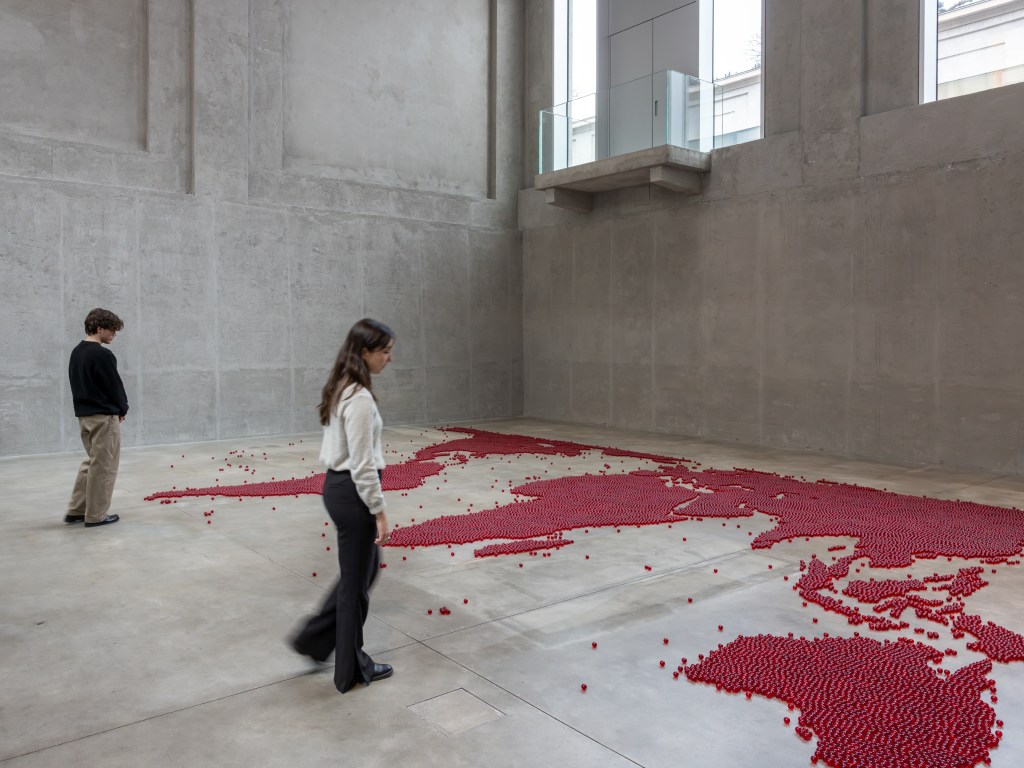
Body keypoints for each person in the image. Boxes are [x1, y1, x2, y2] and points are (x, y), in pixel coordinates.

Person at [290, 318, 395, 693]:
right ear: (364, 352)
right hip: (353, 492)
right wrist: (379, 511)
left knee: (365, 571)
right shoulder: (360, 399)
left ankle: (313, 640)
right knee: (356, 584)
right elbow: (363, 464)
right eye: (384, 351)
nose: (389, 358)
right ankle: (351, 669)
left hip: (338, 488)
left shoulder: (341, 388)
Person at [65, 308, 129, 528]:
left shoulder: (77, 352)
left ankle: (77, 509)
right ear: (99, 327)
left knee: (92, 462)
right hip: (103, 418)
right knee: (105, 465)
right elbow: (114, 386)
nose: (114, 334)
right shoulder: (102, 354)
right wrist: (123, 408)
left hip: (84, 416)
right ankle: (96, 515)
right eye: (112, 329)